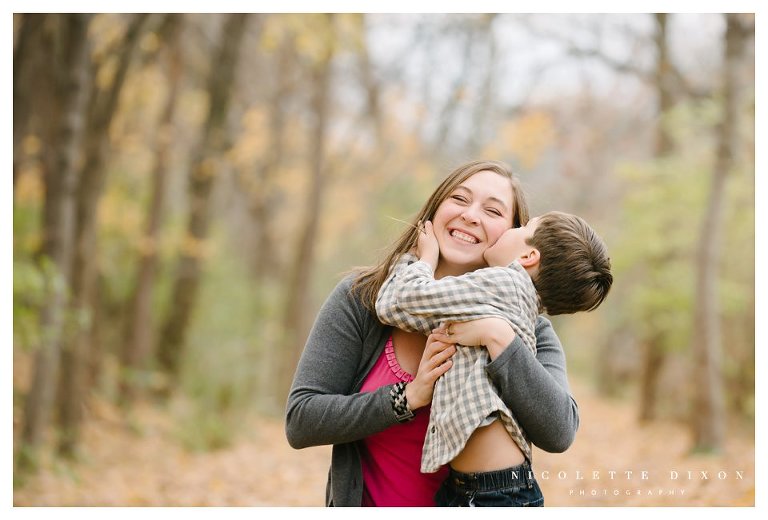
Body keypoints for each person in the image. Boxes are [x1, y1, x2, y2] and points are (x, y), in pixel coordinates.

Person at [285, 160, 580, 507]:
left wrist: (499, 338)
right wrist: (407, 398)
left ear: (514, 235)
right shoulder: (363, 297)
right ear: (435, 208)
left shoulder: (528, 328)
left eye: (492, 210)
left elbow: (560, 431)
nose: (471, 215)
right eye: (459, 198)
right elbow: (301, 419)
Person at [375, 211, 612, 506]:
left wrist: (422, 258)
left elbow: (394, 303)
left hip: (494, 491)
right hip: (477, 487)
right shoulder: (516, 302)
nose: (511, 230)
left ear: (529, 256)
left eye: (523, 226)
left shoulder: (504, 284)